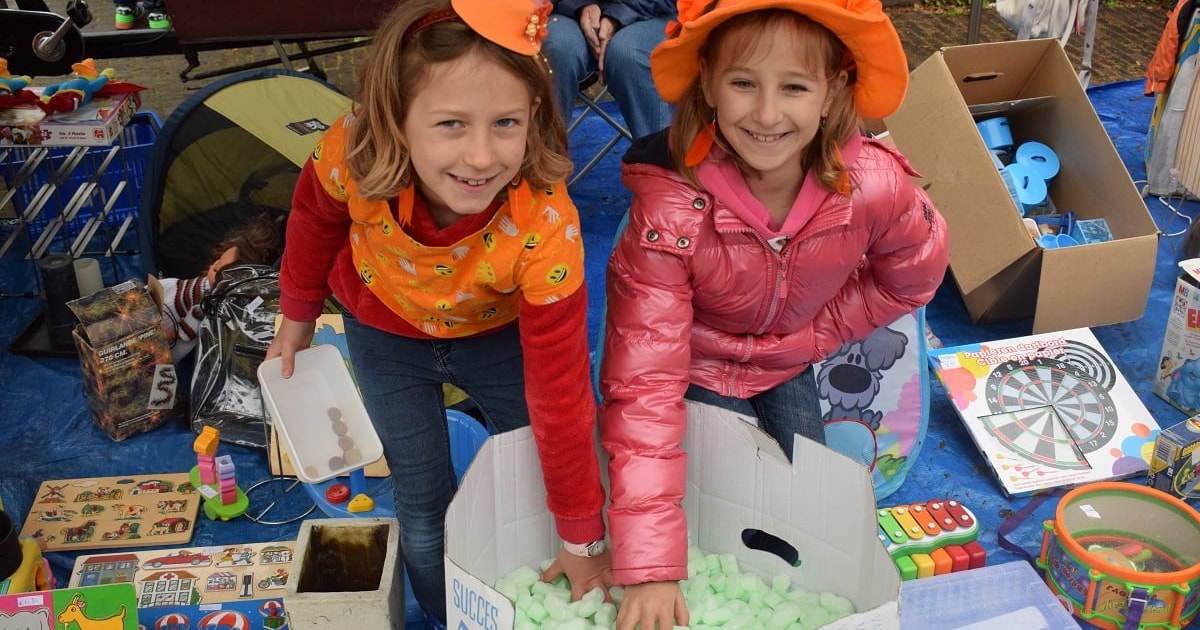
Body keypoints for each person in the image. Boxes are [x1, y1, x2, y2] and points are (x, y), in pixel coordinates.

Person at [597, 0, 950, 627]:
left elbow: (914, 270)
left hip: (788, 361)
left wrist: (817, 333)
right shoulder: (670, 214)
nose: (765, 114)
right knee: (723, 519)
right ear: (706, 82)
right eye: (742, 84)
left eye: (793, 86)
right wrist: (650, 568)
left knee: (804, 512)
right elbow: (644, 385)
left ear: (833, 88)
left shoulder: (873, 186)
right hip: (694, 370)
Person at [264, 0, 611, 623]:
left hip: (497, 339)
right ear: (394, 120)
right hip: (384, 335)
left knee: (539, 480)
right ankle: (452, 617)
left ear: (535, 115)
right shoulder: (351, 153)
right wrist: (297, 314)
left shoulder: (545, 224)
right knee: (423, 503)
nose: (481, 158)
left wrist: (585, 539)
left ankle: (529, 606)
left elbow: (561, 398)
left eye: (506, 123)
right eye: (451, 124)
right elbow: (314, 220)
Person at [155, 212, 283, 364]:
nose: (213, 265)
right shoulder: (194, 290)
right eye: (218, 260)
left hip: (168, 337)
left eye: (217, 270)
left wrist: (172, 335)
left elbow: (190, 327)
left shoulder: (214, 305)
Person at [542, 0, 674, 140]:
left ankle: (659, 157)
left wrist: (620, 13)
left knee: (628, 55)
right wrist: (578, 6)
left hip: (656, 10)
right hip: (569, 13)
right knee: (557, 50)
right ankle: (544, 157)